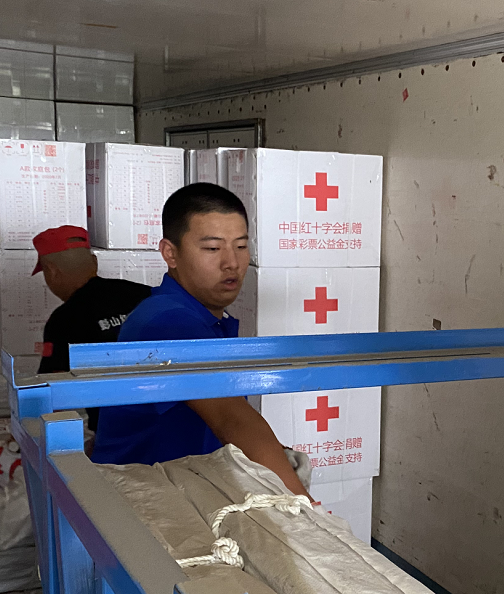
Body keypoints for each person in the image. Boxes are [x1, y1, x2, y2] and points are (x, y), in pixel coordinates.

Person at [92, 183, 310, 498]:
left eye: (241, 246)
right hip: (141, 503)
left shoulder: (204, 318)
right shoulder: (166, 321)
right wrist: (306, 511)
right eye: (212, 248)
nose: (231, 262)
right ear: (170, 253)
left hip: (189, 487)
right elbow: (231, 418)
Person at [33, 225, 151, 430]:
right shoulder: (147, 294)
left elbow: (51, 389)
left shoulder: (64, 319)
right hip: (177, 425)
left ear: (52, 271)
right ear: (95, 262)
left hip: (115, 435)